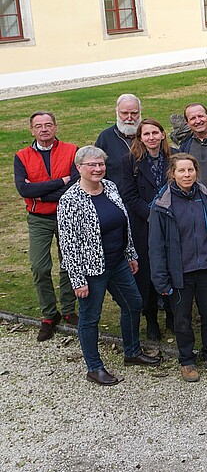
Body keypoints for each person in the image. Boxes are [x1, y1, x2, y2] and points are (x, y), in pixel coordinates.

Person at [57, 146, 161, 385]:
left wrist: (131, 254)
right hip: (91, 270)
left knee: (134, 304)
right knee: (90, 317)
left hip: (118, 262)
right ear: (79, 168)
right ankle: (94, 367)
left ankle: (132, 352)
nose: (97, 169)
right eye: (91, 165)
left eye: (100, 164)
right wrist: (77, 279)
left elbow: (124, 225)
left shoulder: (111, 188)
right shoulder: (70, 201)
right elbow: (68, 244)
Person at [148, 153, 207, 383]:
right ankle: (186, 360)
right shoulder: (162, 204)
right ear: (172, 174)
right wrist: (160, 279)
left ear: (197, 171)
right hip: (179, 273)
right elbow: (155, 245)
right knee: (182, 320)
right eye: (181, 171)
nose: (187, 175)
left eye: (190, 170)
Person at [13, 111, 79, 341]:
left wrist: (40, 192)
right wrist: (59, 183)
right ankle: (50, 314)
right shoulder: (21, 156)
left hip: (67, 215)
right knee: (39, 266)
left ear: (56, 127)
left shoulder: (72, 151)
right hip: (38, 219)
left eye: (48, 125)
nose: (44, 129)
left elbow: (74, 187)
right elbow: (24, 190)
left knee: (69, 263)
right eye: (39, 126)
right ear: (31, 130)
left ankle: (69, 309)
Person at [119, 118, 174, 341]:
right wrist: (151, 215)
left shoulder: (174, 157)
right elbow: (129, 195)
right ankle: (151, 318)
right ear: (140, 138)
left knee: (173, 267)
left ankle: (173, 314)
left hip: (173, 222)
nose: (151, 137)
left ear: (162, 135)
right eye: (146, 134)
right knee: (148, 272)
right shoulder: (130, 161)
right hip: (145, 224)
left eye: (155, 133)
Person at [94, 93, 142, 187]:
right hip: (117, 196)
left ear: (140, 113)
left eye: (134, 113)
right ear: (117, 113)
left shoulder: (149, 135)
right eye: (124, 113)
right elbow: (97, 169)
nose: (129, 118)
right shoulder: (105, 138)